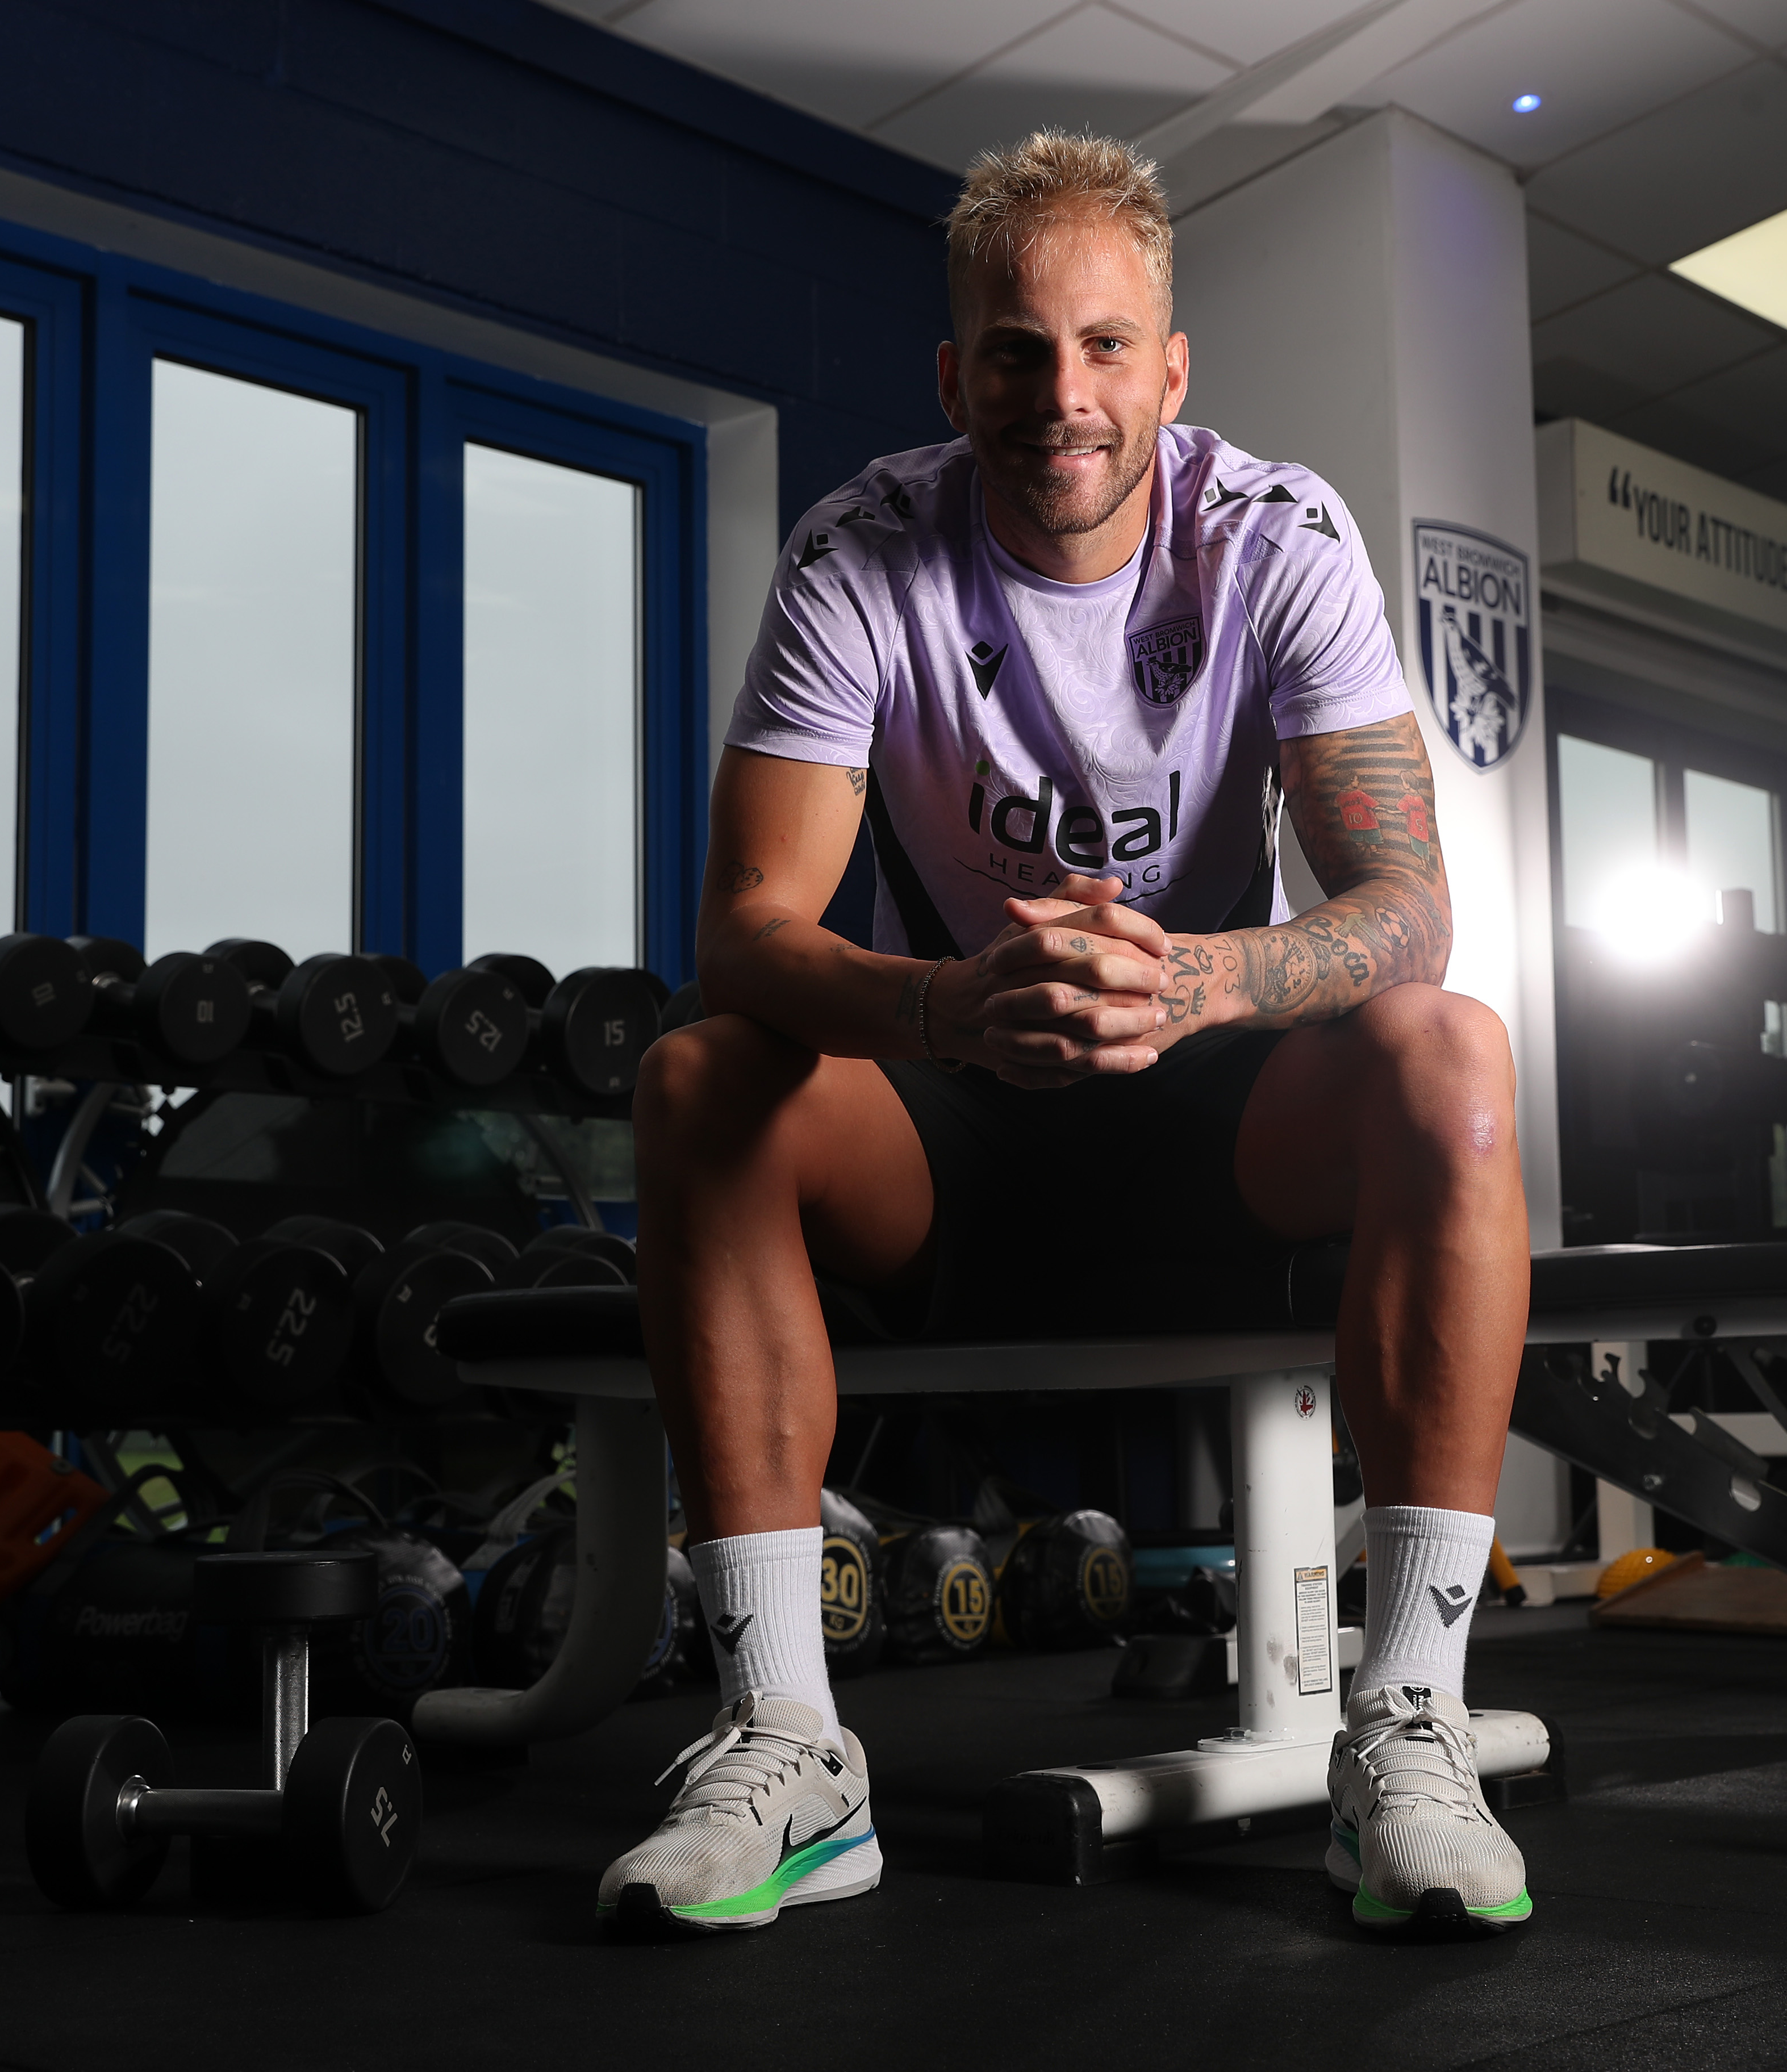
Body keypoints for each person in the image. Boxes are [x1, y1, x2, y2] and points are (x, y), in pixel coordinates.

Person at [598, 130, 1533, 1939]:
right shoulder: (862, 552)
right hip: (960, 1122)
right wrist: (947, 1005)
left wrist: (1200, 981)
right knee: (702, 1076)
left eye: (1107, 347)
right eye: (1018, 351)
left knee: (1454, 1050)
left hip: (1220, 1122)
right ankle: (788, 1740)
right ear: (955, 378)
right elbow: (747, 935)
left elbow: (1409, 906)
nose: (1065, 394)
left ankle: (1405, 1715)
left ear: (1172, 374)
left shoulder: (1276, 535)